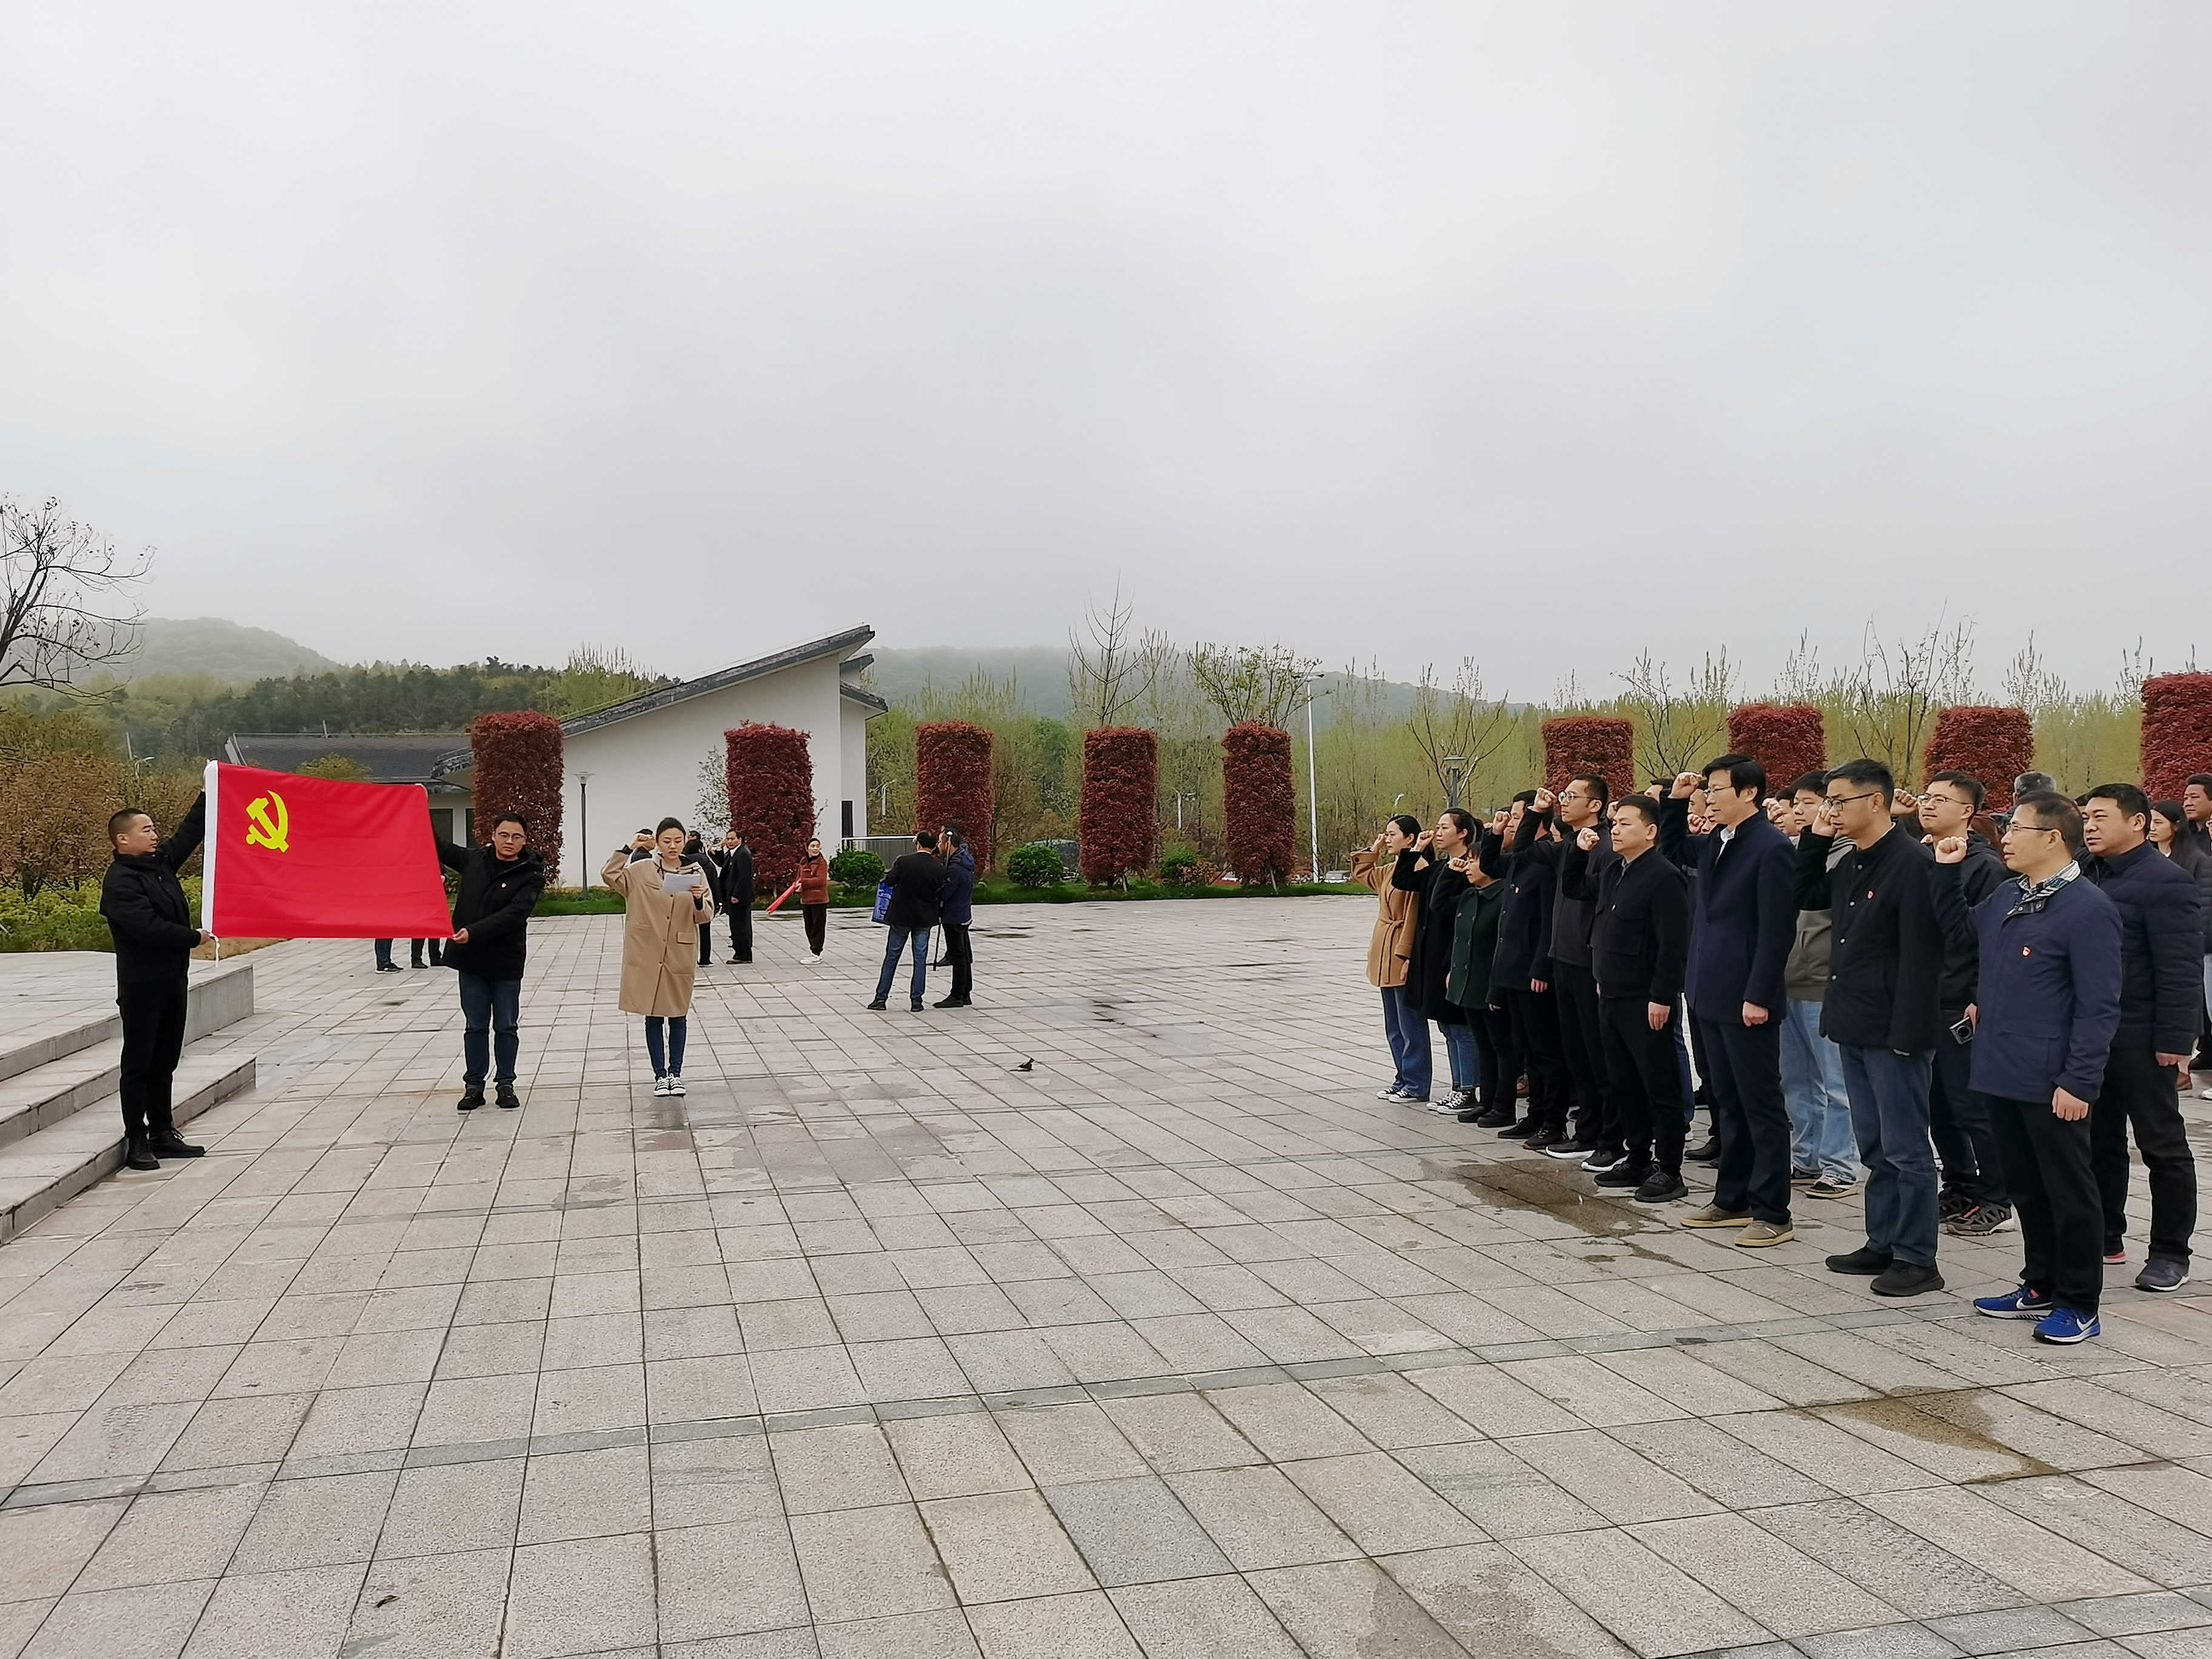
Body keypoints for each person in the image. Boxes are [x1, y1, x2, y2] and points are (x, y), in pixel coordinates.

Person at [1932, 793, 2122, 1344]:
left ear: (2053, 838)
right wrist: (1945, 873)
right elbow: (1961, 934)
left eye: (2017, 828)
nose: (2006, 837)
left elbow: (2099, 1005)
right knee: (2026, 1186)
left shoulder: (2087, 908)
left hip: (2051, 1076)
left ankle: (2079, 1302)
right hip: (2001, 1067)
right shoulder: (2011, 894)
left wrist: (2079, 1080)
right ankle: (2039, 1283)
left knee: (2069, 1190)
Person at [1796, 759, 1946, 1296]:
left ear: (1876, 801)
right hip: (1855, 1021)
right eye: (1829, 802)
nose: (1832, 811)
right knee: (1875, 1146)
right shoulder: (1853, 861)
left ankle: (1917, 1258)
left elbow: (1922, 959)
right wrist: (1816, 838)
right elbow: (1805, 894)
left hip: (1895, 1029)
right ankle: (1883, 1241)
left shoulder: (1913, 863)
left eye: (1840, 801)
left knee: (1907, 1149)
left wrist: (1908, 1034)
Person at [1658, 755, 1798, 1248]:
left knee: (1761, 1105)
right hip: (1708, 990)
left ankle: (1773, 1210)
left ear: (1749, 793)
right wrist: (1676, 802)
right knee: (1727, 1101)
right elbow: (1672, 848)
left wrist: (1759, 994)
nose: (1709, 799)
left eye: (1717, 790)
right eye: (1708, 790)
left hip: (1746, 997)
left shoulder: (1771, 846)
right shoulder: (1720, 839)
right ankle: (1733, 1198)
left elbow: (1777, 931)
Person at [2078, 783, 2202, 1292]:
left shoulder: (2165, 882)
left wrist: (2176, 1041)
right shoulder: (2083, 873)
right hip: (2090, 1035)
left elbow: (2180, 968)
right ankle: (2105, 1235)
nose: (2090, 826)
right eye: (2086, 817)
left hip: (2143, 1035)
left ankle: (2171, 1252)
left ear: (2137, 822)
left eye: (2101, 817)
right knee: (2097, 1141)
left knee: (2161, 1144)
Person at [1563, 796, 1692, 1204]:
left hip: (1646, 999)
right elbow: (1575, 890)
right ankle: (1637, 1157)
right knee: (1624, 1082)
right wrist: (1577, 853)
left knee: (1659, 1085)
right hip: (1611, 993)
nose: (1615, 830)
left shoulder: (1664, 876)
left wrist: (1662, 996)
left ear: (1651, 832)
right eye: (1615, 823)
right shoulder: (1616, 871)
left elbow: (1673, 944)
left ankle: (1669, 1168)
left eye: (1626, 824)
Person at [1918, 772, 2014, 1236]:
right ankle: (1959, 1186)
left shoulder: (1985, 867)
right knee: (1938, 1104)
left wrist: (1978, 996)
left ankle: (1997, 1196)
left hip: (1960, 1002)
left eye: (1941, 799)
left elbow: (1989, 941)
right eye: (1926, 796)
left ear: (1967, 812)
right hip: (1925, 996)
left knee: (1970, 1105)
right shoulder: (1921, 856)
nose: (1928, 804)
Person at [99, 795, 210, 1170]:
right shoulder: (120, 882)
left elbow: (188, 834)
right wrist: (193, 937)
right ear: (123, 840)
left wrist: (210, 793)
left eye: (153, 829)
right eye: (145, 830)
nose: (154, 835)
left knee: (165, 1060)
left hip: (173, 981)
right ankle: (137, 1138)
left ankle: (163, 1132)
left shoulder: (159, 866)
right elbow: (147, 928)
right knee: (139, 1063)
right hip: (142, 986)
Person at [1778, 773, 1858, 1201]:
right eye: (1800, 804)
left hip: (1824, 982)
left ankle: (1840, 1164)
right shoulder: (1797, 851)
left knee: (1836, 1084)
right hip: (1788, 977)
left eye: (1812, 803)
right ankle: (1806, 1156)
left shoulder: (1850, 856)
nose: (1805, 811)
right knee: (1797, 1080)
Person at [437, 812, 548, 1110]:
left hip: (505, 961)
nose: (509, 841)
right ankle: (474, 1086)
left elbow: (514, 914)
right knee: (475, 1025)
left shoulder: (531, 873)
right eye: (504, 835)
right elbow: (438, 846)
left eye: (516, 837)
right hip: (471, 960)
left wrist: (473, 932)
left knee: (506, 1025)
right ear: (493, 836)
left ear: (524, 841)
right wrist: (416, 807)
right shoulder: (474, 860)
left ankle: (505, 1084)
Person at [602, 817, 715, 1095]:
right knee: (653, 1015)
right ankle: (660, 1075)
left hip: (679, 951)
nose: (672, 846)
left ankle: (676, 1073)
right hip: (648, 951)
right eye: (667, 841)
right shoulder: (641, 870)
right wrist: (629, 847)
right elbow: (610, 875)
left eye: (678, 840)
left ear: (685, 840)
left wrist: (698, 899)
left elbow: (705, 915)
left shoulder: (695, 871)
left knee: (678, 1015)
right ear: (658, 842)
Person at [1484, 793, 1572, 1150]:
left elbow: (1549, 921)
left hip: (1534, 972)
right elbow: (1490, 863)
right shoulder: (1520, 861)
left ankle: (1553, 1121)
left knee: (1545, 1051)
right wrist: (1495, 833)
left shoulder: (1546, 861)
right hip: (1512, 969)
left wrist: (1541, 967)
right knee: (1526, 1051)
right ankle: (1535, 1116)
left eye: (1520, 817)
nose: (1514, 822)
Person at [1392, 810, 1481, 1115]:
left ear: (1463, 833)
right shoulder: (1440, 867)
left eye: (1445, 827)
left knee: (1460, 1026)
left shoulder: (1471, 868)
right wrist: (1416, 849)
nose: (1438, 832)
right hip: (1431, 956)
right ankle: (1458, 1087)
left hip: (1453, 957)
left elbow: (1445, 909)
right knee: (1446, 1026)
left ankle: (1468, 1090)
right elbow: (1403, 879)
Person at [1351, 816, 1428, 1102]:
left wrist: (1406, 954)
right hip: (1384, 951)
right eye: (1386, 834)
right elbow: (1363, 873)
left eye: (1392, 834)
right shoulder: (1392, 869)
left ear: (1410, 838)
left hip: (1399, 951)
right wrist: (1375, 848)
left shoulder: (1417, 868)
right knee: (1394, 1026)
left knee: (1410, 1025)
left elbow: (1413, 916)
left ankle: (1417, 1083)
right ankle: (1402, 1078)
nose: (1387, 838)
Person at [1443, 840, 1508, 1124]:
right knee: (1483, 1045)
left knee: (1501, 1048)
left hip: (1491, 982)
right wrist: (1450, 873)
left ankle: (1503, 1106)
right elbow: (1439, 906)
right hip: (1469, 982)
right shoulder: (1471, 895)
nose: (1468, 866)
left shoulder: (1503, 897)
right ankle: (1487, 1101)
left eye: (1473, 860)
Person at [871, 831, 947, 1010]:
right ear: (933, 847)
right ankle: (917, 1001)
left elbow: (889, 881)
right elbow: (941, 892)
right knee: (920, 959)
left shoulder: (904, 862)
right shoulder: (938, 867)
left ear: (918, 844)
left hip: (901, 916)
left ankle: (881, 998)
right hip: (924, 918)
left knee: (892, 957)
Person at [936, 826, 976, 1008]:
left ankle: (957, 994)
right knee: (963, 955)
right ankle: (965, 992)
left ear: (949, 843)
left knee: (958, 957)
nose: (939, 846)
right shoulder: (963, 861)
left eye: (940, 842)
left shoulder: (955, 868)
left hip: (954, 915)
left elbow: (945, 893)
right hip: (962, 912)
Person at [712, 830, 755, 963]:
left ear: (740, 839)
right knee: (735, 925)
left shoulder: (743, 854)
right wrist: (719, 849)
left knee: (741, 926)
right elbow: (722, 864)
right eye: (728, 839)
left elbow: (744, 877)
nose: (729, 841)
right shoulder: (733, 853)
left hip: (739, 897)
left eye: (732, 839)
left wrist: (737, 895)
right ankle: (740, 952)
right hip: (730, 895)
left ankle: (743, 954)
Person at [685, 833, 720, 967]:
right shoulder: (707, 863)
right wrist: (717, 902)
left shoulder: (682, 863)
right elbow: (714, 883)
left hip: (685, 900)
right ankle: (705, 959)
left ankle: (687, 959)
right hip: (704, 898)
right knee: (705, 930)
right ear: (701, 849)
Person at [795, 838, 831, 956]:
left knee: (818, 928)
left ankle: (817, 952)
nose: (816, 849)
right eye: (813, 846)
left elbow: (820, 880)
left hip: (819, 900)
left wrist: (804, 883)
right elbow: (799, 878)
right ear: (807, 848)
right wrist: (797, 886)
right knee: (809, 927)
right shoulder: (803, 862)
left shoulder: (822, 863)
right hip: (806, 900)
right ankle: (813, 951)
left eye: (817, 846)